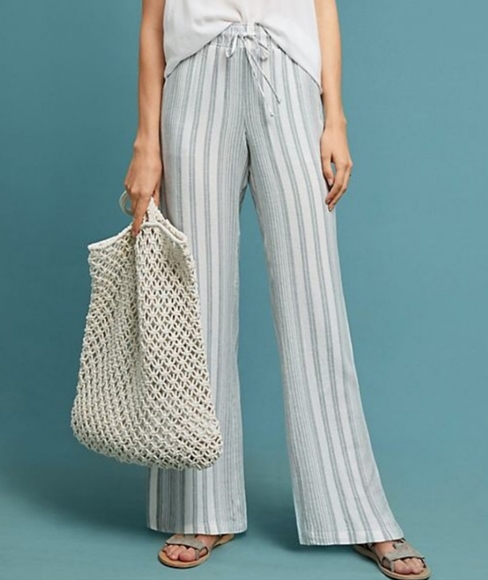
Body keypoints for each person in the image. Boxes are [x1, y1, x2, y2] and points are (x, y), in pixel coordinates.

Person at [123, 1, 431, 578]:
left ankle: (357, 512)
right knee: (197, 308)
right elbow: (152, 20)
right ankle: (202, 509)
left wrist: (335, 117)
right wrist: (147, 142)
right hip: (194, 78)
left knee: (315, 303)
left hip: (288, 76)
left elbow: (322, 7)